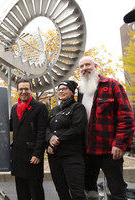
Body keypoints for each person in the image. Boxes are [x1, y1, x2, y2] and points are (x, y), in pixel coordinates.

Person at [78, 56, 135, 200]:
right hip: (87, 150)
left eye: (87, 65)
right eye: (81, 66)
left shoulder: (113, 85)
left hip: (110, 150)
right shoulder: (80, 91)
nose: (85, 68)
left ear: (95, 66)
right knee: (89, 190)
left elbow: (126, 117)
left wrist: (120, 143)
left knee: (116, 191)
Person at [46, 80, 87, 200]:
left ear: (71, 92)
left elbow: (77, 128)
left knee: (77, 192)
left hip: (72, 156)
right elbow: (47, 127)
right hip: (54, 157)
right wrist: (50, 138)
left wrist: (56, 141)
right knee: (61, 191)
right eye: (59, 89)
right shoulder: (54, 110)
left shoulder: (78, 108)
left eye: (65, 89)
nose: (61, 91)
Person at [10, 78, 48, 200]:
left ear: (31, 90)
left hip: (32, 156)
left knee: (36, 192)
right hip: (18, 156)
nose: (23, 91)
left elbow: (42, 132)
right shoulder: (14, 108)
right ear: (17, 91)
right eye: (21, 89)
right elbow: (11, 126)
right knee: (21, 193)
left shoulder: (40, 107)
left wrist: (37, 153)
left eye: (26, 88)